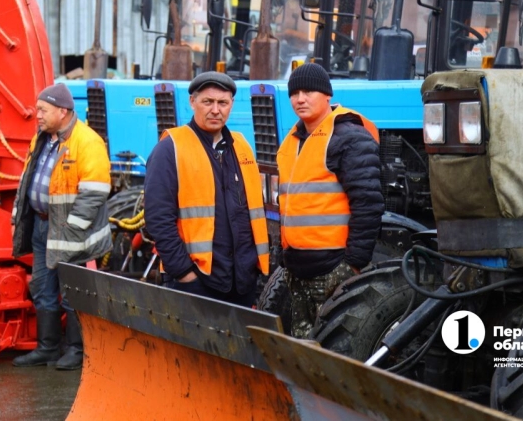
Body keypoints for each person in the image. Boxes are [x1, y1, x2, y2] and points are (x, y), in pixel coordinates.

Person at [277, 63, 384, 338]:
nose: (300, 99)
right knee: (302, 352)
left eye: (308, 91)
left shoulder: (349, 137)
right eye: (294, 93)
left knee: (334, 351)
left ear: (326, 95)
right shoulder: (292, 140)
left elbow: (368, 203)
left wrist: (354, 263)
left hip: (333, 270)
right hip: (297, 271)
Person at [144, 72, 269, 307]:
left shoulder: (241, 147)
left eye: (222, 103)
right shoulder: (171, 148)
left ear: (231, 104)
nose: (215, 110)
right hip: (195, 283)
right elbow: (158, 219)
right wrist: (184, 274)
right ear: (192, 102)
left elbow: (253, 211)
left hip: (241, 283)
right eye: (207, 102)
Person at [12, 83, 112, 370]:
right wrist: (16, 218)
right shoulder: (41, 139)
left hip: (72, 234)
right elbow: (26, 182)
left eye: (43, 110)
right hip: (43, 229)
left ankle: (77, 350)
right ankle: (47, 348)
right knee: (43, 287)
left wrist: (71, 229)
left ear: (63, 111)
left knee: (72, 293)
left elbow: (93, 193)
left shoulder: (88, 142)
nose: (37, 115)